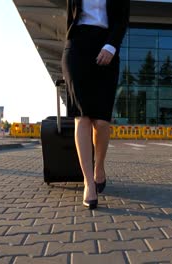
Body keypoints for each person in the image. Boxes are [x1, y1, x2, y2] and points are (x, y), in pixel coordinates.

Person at [62, 0, 130, 209]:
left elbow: (122, 19)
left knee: (101, 121)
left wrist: (112, 45)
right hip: (77, 46)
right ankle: (88, 182)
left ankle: (99, 168)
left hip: (107, 45)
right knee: (82, 116)